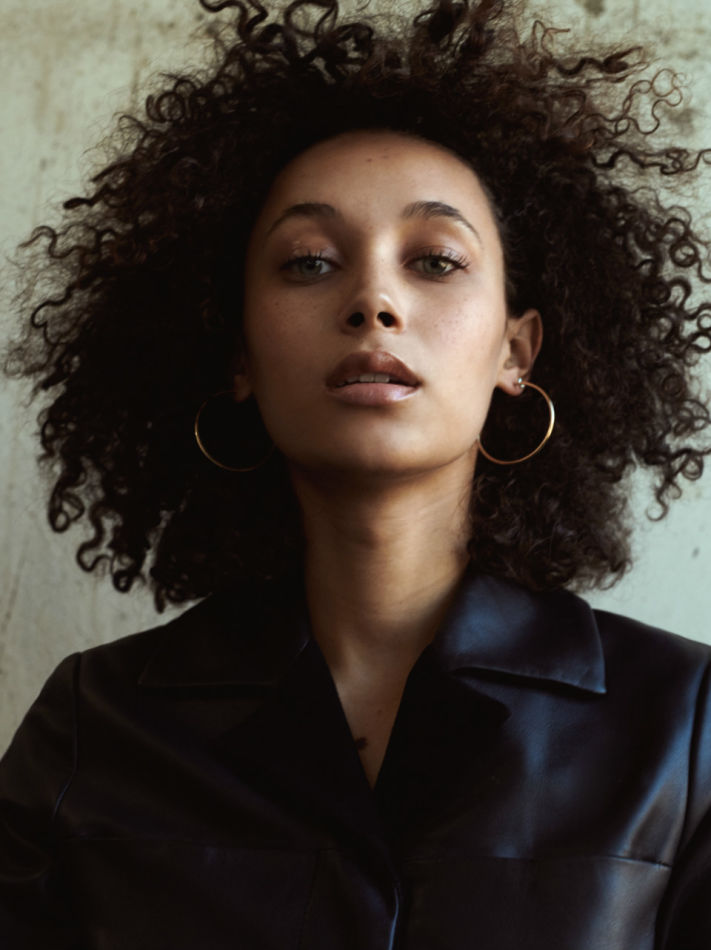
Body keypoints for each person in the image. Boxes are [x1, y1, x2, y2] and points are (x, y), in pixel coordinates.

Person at [1, 0, 711, 946]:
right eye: (308, 262)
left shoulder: (683, 726)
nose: (373, 299)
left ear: (515, 351)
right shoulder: (95, 726)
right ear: (239, 357)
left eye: (436, 261)